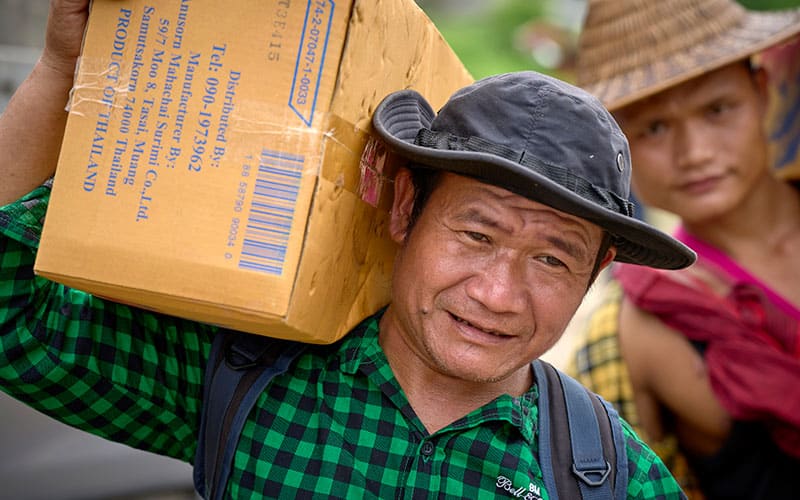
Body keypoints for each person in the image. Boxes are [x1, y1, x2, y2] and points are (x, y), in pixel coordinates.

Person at [0, 1, 696, 498]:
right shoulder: (242, 378)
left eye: (552, 259)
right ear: (404, 209)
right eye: (476, 235)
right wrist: (63, 68)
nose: (497, 294)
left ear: (595, 273)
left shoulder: (607, 476)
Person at [568, 0, 800, 498]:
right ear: (617, 142)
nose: (694, 153)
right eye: (653, 127)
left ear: (761, 91)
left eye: (717, 109)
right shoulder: (637, 329)